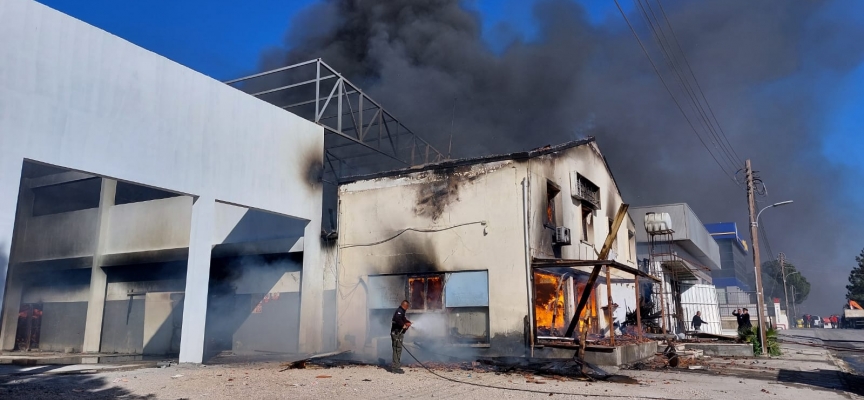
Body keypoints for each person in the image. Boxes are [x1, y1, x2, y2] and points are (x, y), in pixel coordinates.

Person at [390, 300, 412, 373]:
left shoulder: (402, 312)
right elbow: (397, 319)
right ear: (405, 306)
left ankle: (397, 366)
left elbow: (402, 319)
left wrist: (407, 322)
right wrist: (403, 325)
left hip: (398, 333)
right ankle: (395, 368)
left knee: (398, 350)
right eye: (407, 306)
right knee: (397, 350)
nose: (407, 308)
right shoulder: (399, 311)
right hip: (396, 334)